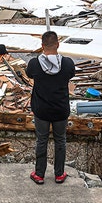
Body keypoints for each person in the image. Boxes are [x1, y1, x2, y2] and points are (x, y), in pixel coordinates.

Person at [25, 31, 75, 185]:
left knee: (42, 140)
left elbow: (29, 74)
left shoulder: (34, 64)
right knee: (60, 140)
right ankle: (59, 174)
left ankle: (39, 174)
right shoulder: (67, 64)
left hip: (41, 110)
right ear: (58, 44)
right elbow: (71, 75)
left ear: (42, 46)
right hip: (60, 109)